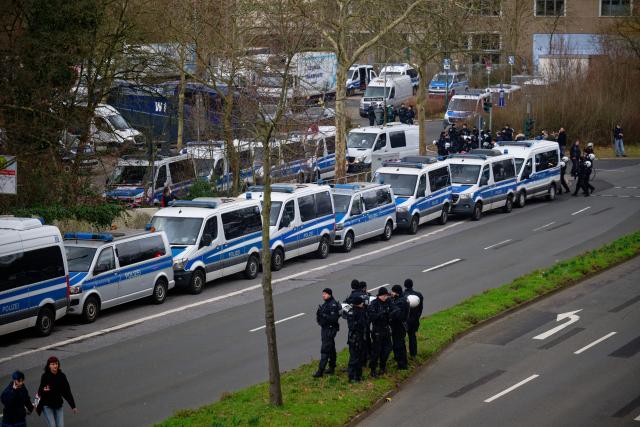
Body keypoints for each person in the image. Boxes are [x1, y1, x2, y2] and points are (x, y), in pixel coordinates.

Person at [37, 356, 77, 427]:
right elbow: (40, 391)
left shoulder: (62, 376)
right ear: (49, 366)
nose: (55, 365)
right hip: (47, 406)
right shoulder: (45, 376)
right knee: (52, 425)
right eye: (52, 364)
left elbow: (67, 392)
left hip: (58, 405)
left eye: (56, 363)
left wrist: (73, 406)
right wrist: (35, 403)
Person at [313, 288, 341, 377]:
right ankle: (332, 367)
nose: (323, 295)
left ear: (329, 294)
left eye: (325, 294)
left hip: (329, 330)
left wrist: (323, 315)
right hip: (325, 329)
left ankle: (320, 371)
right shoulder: (326, 304)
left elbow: (333, 319)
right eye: (323, 294)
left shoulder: (332, 304)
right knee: (331, 349)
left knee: (325, 350)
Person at [341, 295, 368, 382]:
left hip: (358, 337)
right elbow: (353, 326)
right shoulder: (354, 312)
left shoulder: (359, 310)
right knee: (354, 358)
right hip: (355, 338)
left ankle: (358, 376)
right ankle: (351, 377)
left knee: (359, 358)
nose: (363, 303)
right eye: (361, 302)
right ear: (358, 303)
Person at [367, 287, 392, 377]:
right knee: (376, 351)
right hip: (377, 330)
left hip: (386, 329)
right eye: (385, 296)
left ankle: (383, 367)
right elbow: (372, 317)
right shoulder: (374, 304)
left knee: (387, 349)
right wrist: (382, 313)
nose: (386, 297)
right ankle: (373, 370)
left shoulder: (388, 302)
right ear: (381, 295)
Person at [389, 285, 409, 370]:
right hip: (400, 326)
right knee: (401, 345)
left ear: (396, 292)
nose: (391, 293)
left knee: (398, 345)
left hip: (398, 327)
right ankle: (402, 362)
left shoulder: (400, 302)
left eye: (392, 291)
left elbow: (398, 315)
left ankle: (402, 365)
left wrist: (391, 305)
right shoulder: (402, 299)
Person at [403, 279, 424, 358]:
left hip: (405, 320)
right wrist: (417, 317)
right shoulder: (418, 295)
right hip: (414, 319)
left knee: (402, 338)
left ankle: (403, 355)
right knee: (412, 337)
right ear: (412, 285)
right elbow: (420, 308)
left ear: (405, 285)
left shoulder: (403, 295)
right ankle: (413, 354)